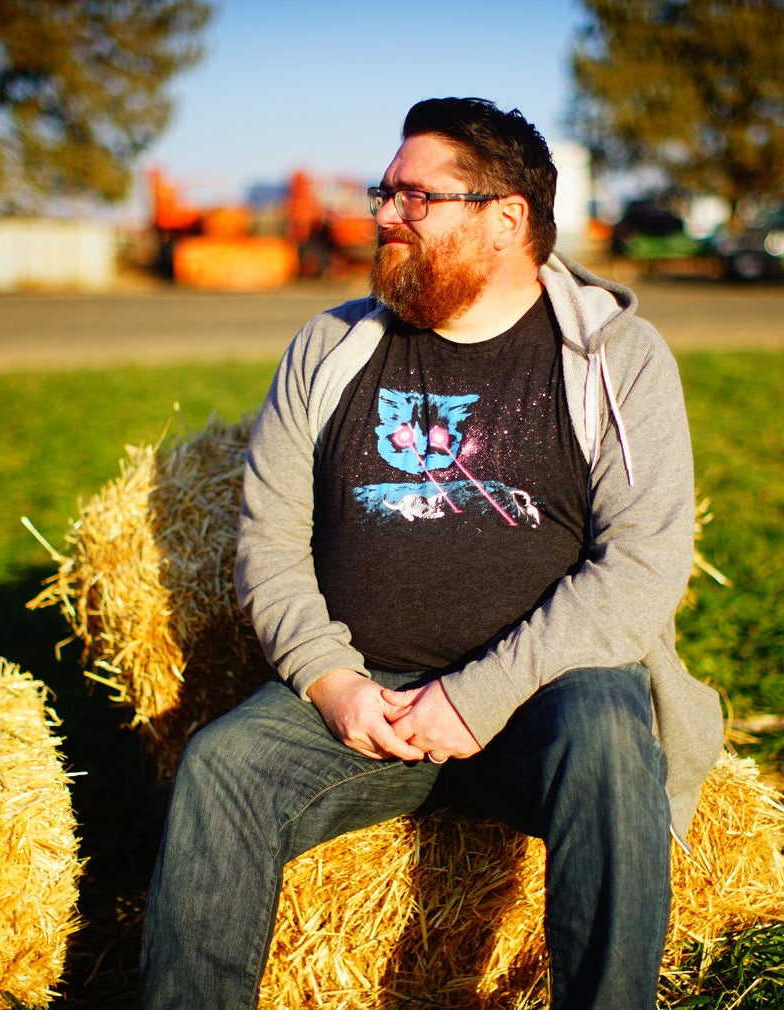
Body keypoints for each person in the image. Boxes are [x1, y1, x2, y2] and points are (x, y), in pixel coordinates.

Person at [139, 97, 724, 1010]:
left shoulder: (618, 358)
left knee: (614, 736)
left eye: (415, 196)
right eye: (385, 192)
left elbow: (642, 566)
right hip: (366, 698)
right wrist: (330, 680)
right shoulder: (330, 349)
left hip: (543, 700)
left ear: (506, 219)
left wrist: (478, 696)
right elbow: (269, 541)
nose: (384, 214)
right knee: (223, 764)